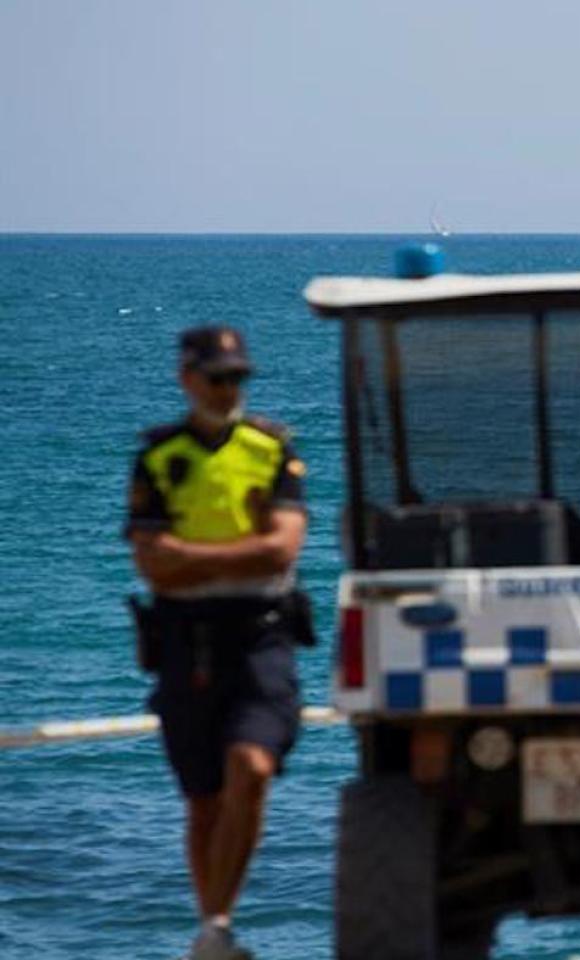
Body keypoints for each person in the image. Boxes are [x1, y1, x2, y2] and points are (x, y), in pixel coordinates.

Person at [125, 326, 310, 960]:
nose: (230, 390)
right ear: (188, 379)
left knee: (252, 767)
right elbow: (151, 566)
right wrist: (239, 555)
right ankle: (214, 931)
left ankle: (218, 923)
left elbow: (282, 548)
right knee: (203, 800)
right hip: (186, 641)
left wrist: (190, 555)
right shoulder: (159, 457)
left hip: (262, 636)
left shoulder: (272, 448)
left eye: (239, 378)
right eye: (218, 378)